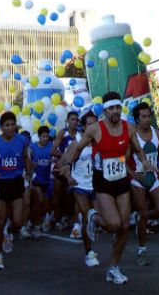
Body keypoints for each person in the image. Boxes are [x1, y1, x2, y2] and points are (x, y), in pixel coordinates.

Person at [58, 91, 158, 284]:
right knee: (113, 224)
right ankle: (92, 217)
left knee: (123, 228)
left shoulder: (129, 128)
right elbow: (77, 149)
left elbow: (138, 149)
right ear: (104, 110)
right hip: (102, 183)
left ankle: (113, 268)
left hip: (121, 182)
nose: (115, 111)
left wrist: (145, 162)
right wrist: (66, 165)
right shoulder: (95, 129)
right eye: (111, 108)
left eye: (118, 107)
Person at [56, 111, 101, 267]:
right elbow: (62, 162)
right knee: (87, 215)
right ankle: (89, 253)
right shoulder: (77, 143)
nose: (93, 127)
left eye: (96, 124)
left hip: (95, 185)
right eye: (90, 124)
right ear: (83, 127)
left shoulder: (99, 142)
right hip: (79, 185)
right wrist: (67, 176)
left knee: (99, 219)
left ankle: (86, 228)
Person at [126, 102, 159, 265]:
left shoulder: (157, 133)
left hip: (153, 176)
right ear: (136, 119)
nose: (147, 119)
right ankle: (142, 250)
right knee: (143, 212)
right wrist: (132, 175)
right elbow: (123, 159)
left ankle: (140, 219)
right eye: (143, 116)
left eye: (149, 116)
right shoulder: (133, 136)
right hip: (139, 179)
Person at [0, 112, 32, 270]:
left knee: (17, 221)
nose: (10, 128)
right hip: (1, 182)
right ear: (1, 127)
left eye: (12, 124)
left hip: (16, 182)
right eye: (7, 125)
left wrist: (28, 174)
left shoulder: (22, 140)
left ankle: (9, 231)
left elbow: (26, 157)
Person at [29, 127, 54, 235]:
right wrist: (31, 166)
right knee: (39, 201)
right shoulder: (33, 147)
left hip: (47, 180)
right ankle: (36, 224)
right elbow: (27, 160)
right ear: (39, 137)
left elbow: (58, 157)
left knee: (44, 202)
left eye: (47, 137)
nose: (45, 139)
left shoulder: (51, 146)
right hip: (36, 179)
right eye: (43, 136)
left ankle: (43, 220)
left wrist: (55, 160)